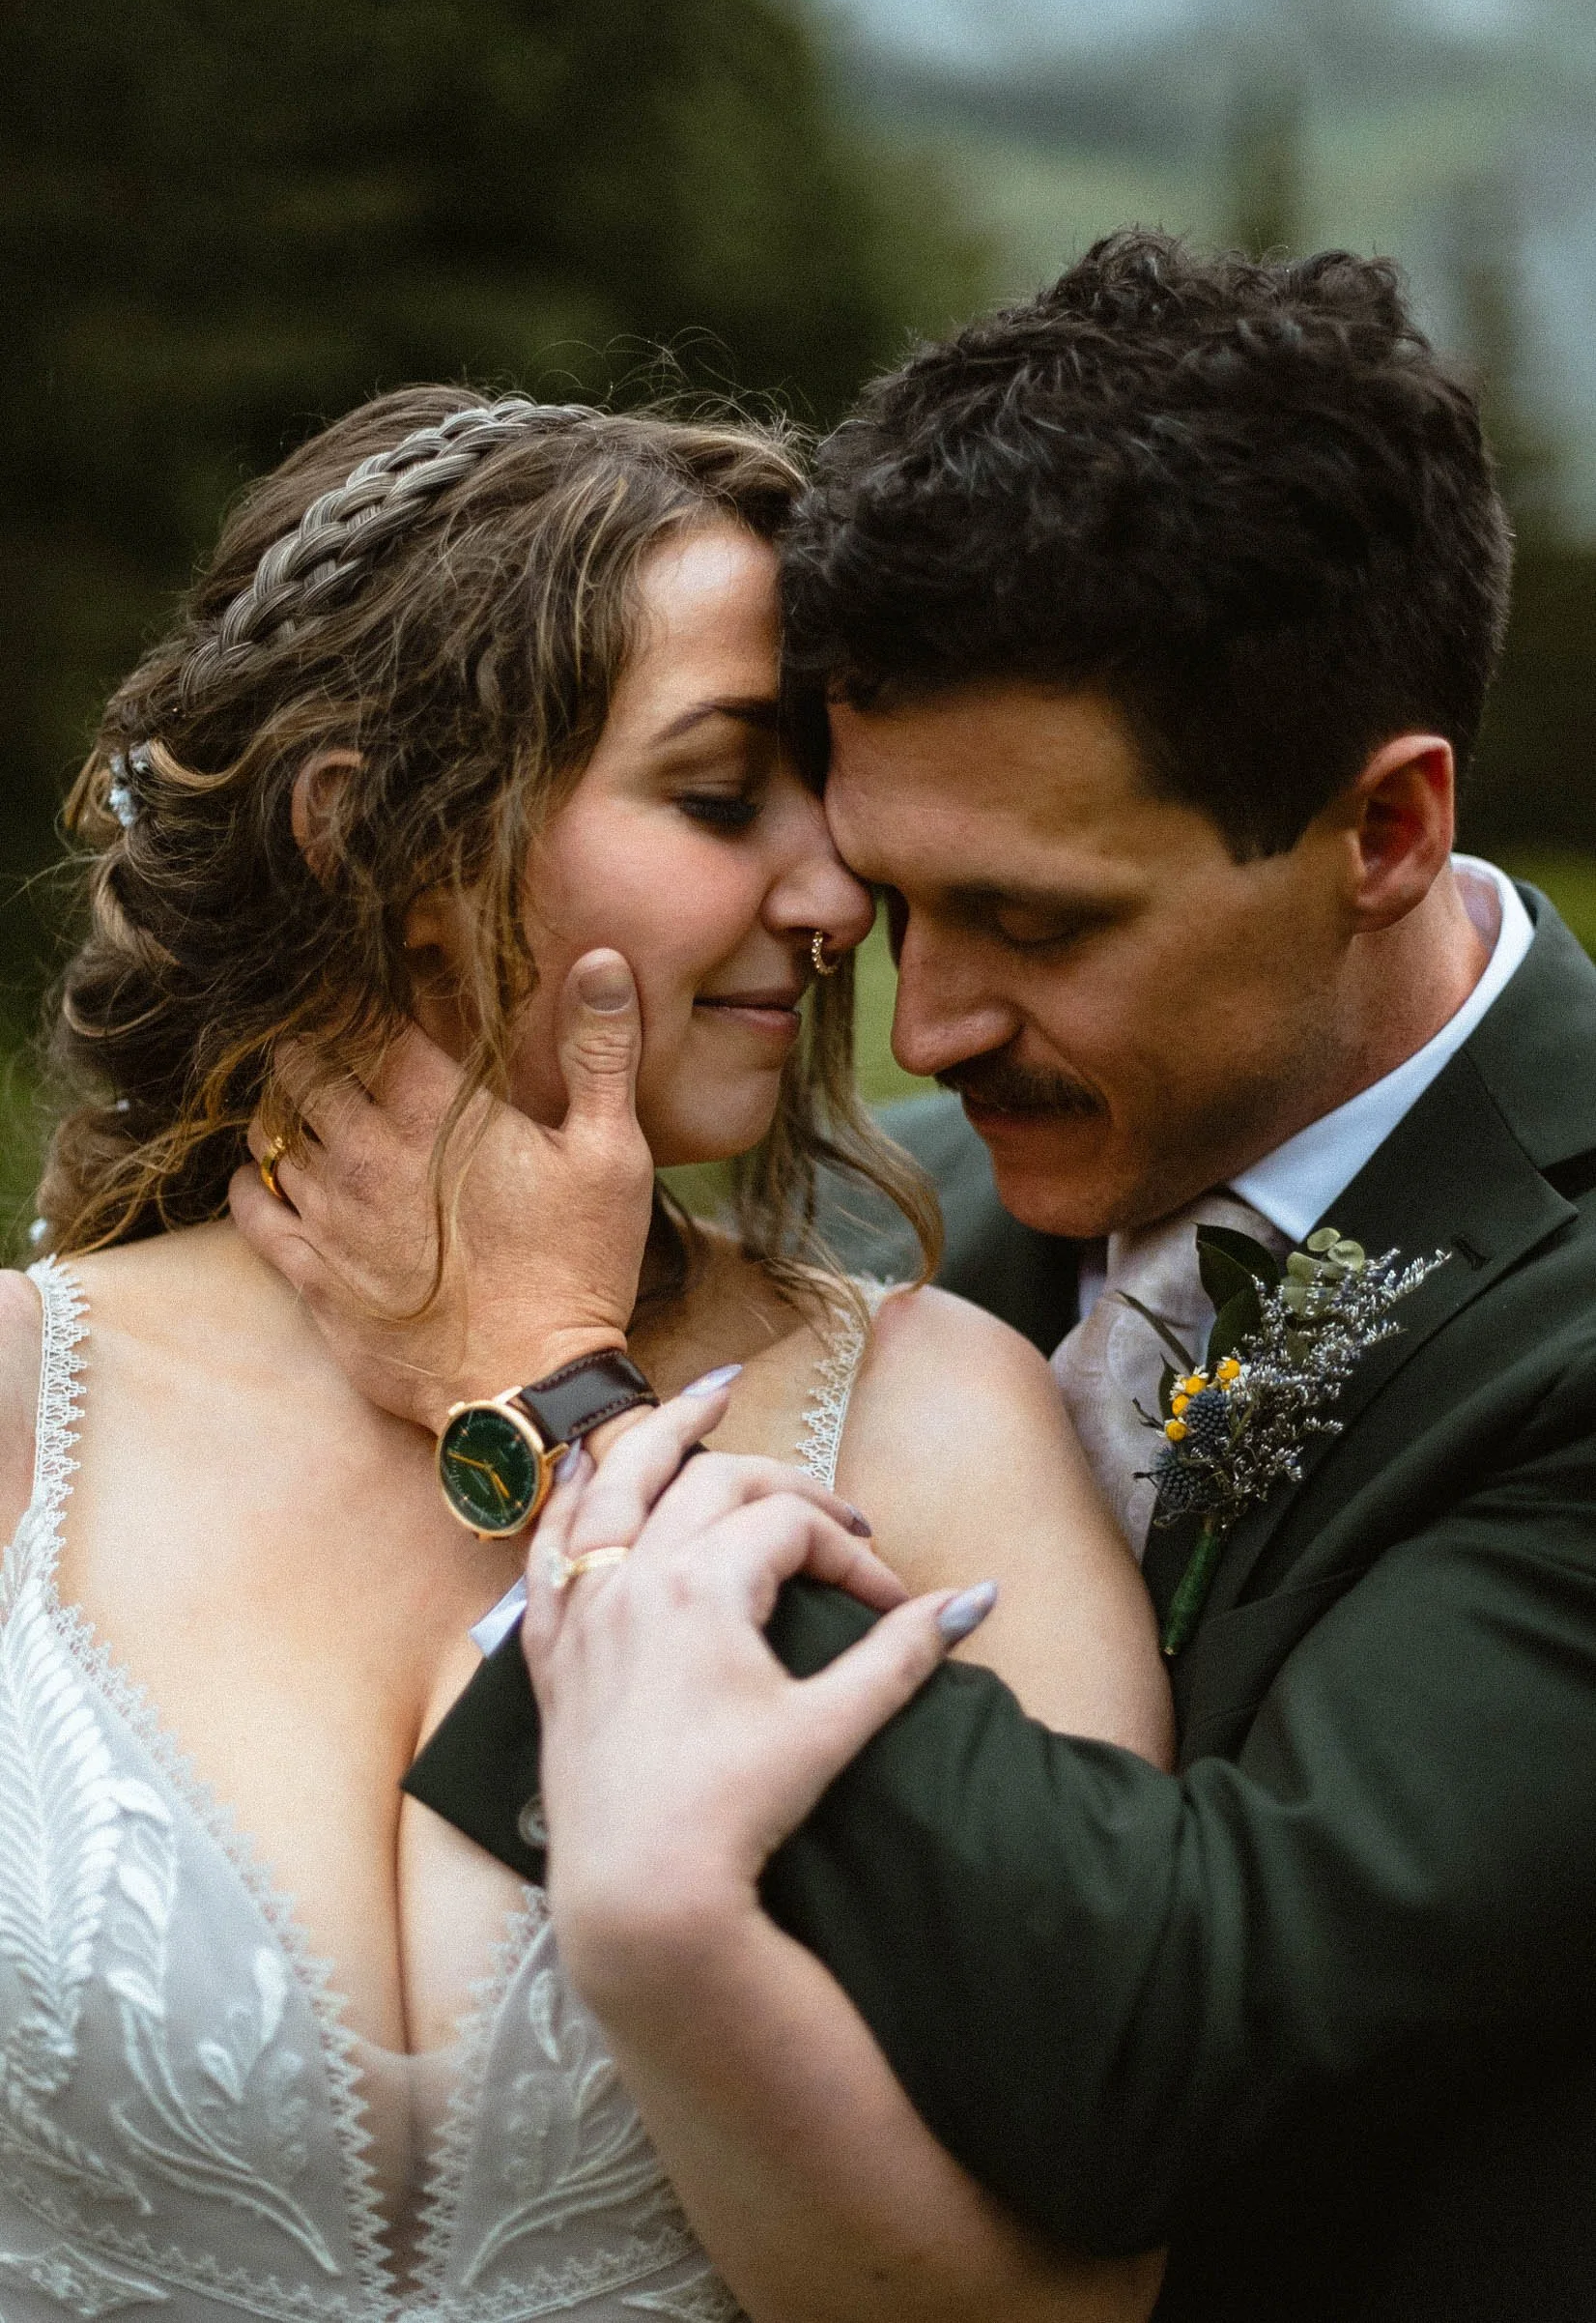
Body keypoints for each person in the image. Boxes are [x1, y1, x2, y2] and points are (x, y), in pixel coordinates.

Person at [242, 236, 1596, 2323]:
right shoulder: (880, 1230)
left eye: (1035, 924)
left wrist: (560, 1409)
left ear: (1386, 830)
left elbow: (1179, 2037)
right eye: (890, 903)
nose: (929, 1024)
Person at [0, 387, 1170, 2319]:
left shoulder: (942, 1417)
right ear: (374, 835)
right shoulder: (26, 1412)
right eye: (722, 795)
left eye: (824, 801)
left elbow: (1074, 2299)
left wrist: (676, 1955)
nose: (831, 896)